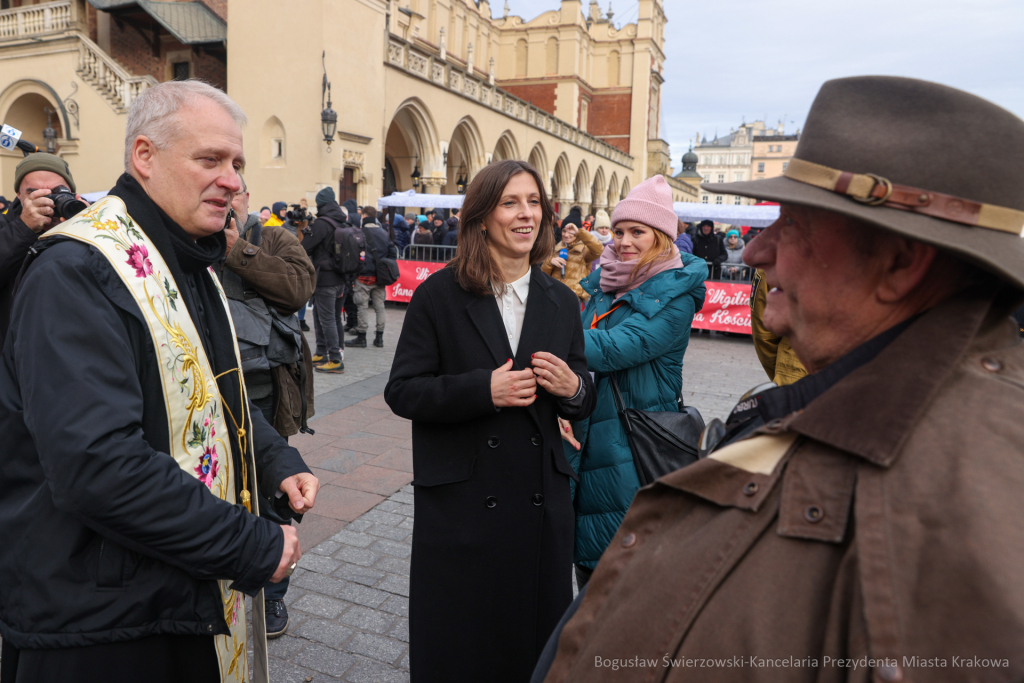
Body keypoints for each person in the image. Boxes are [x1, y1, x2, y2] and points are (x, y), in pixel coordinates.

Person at [534, 75, 1024, 683]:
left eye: (791, 224)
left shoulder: (974, 487)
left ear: (899, 264)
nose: (757, 252)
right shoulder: (851, 410)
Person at [0, 79, 319, 683]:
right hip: (99, 620)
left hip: (172, 593)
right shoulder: (78, 271)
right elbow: (96, 464)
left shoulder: (186, 258)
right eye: (211, 159)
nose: (232, 179)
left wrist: (273, 460)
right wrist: (251, 545)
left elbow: (206, 397)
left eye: (237, 164)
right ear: (144, 157)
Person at [385, 159, 597, 683]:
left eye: (534, 203)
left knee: (532, 652)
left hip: (540, 505)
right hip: (463, 505)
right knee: (461, 649)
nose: (527, 215)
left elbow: (584, 392)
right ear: (481, 218)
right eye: (510, 203)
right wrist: (484, 389)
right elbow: (402, 390)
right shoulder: (439, 294)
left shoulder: (563, 301)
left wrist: (573, 388)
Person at [557, 175, 706, 589]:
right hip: (589, 433)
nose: (623, 241)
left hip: (632, 444)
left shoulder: (675, 294)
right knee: (587, 559)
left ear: (661, 237)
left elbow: (619, 346)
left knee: (614, 570)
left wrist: (543, 330)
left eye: (637, 232)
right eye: (619, 230)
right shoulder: (608, 283)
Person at [219, 174, 317, 639]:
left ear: (247, 199)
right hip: (213, 389)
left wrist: (238, 251)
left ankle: (274, 598)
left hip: (269, 392)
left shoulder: (275, 237)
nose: (226, 201)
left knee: (276, 491)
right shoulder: (192, 239)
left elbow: (299, 288)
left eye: (234, 193)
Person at [0, 153, 86, 343]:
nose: (47, 201)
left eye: (56, 192)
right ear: (18, 195)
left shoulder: (86, 220)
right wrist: (24, 228)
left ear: (71, 192)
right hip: (14, 349)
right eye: (34, 194)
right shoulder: (5, 225)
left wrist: (88, 226)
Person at [300, 187, 347, 374]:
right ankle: (321, 352)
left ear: (320, 204)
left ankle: (335, 359)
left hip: (325, 279)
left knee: (326, 319)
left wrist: (305, 233)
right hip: (340, 278)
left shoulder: (321, 224)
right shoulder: (341, 221)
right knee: (326, 316)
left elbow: (305, 248)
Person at [346, 206, 396, 349]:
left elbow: (353, 256)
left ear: (364, 216)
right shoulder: (384, 233)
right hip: (379, 278)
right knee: (380, 307)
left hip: (362, 276)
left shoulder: (358, 233)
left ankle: (362, 337)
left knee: (362, 307)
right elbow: (392, 255)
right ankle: (379, 338)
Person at [541, 214, 603, 301]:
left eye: (570, 232)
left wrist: (581, 232)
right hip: (555, 296)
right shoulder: (555, 249)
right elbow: (543, 275)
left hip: (574, 298)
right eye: (564, 231)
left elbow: (599, 250)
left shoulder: (584, 250)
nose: (566, 235)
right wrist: (549, 262)